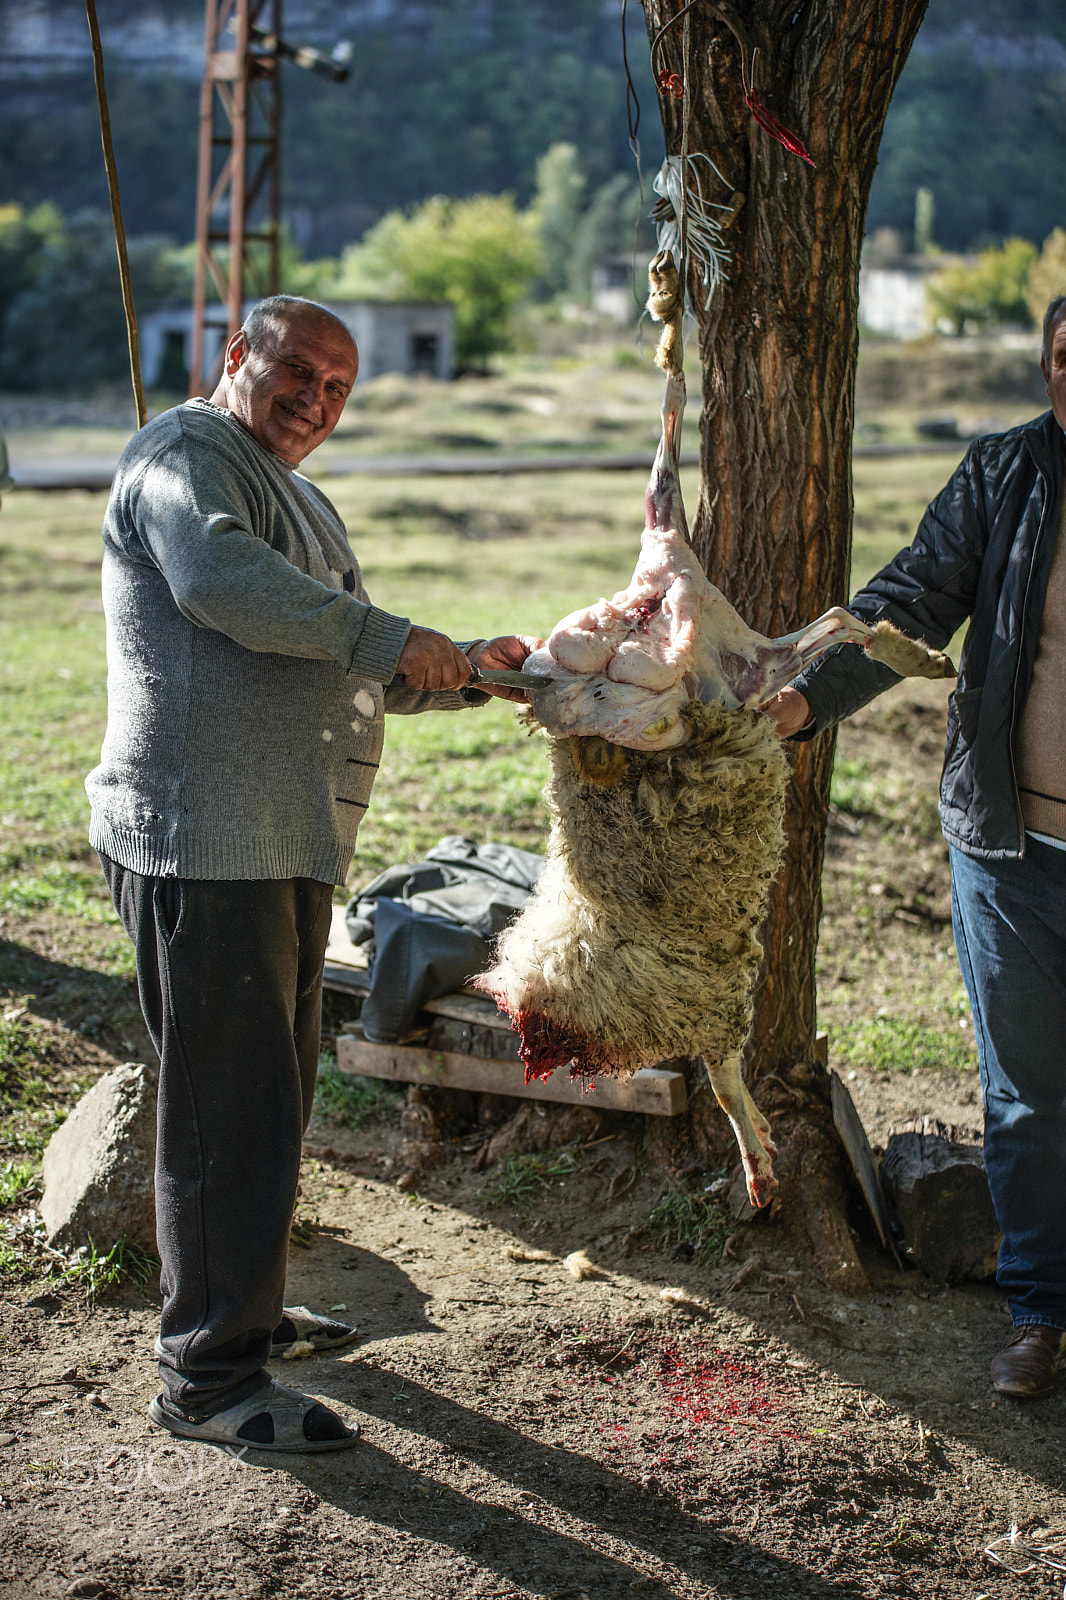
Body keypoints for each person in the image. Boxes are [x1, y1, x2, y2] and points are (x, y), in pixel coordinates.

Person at [86, 295, 537, 1452]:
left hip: (280, 842)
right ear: (237, 354)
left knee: (268, 1101)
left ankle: (245, 1313)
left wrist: (464, 670)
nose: (316, 399)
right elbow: (219, 583)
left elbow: (335, 654)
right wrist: (389, 639)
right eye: (297, 370)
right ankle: (207, 1383)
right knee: (223, 1113)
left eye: (339, 386)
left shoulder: (299, 493)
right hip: (205, 840)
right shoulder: (187, 455)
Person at [767, 295, 1066, 1401]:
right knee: (1028, 1092)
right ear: (1045, 365)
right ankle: (1040, 1309)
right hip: (1010, 842)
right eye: (1064, 360)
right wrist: (803, 702)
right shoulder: (1005, 476)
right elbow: (909, 604)